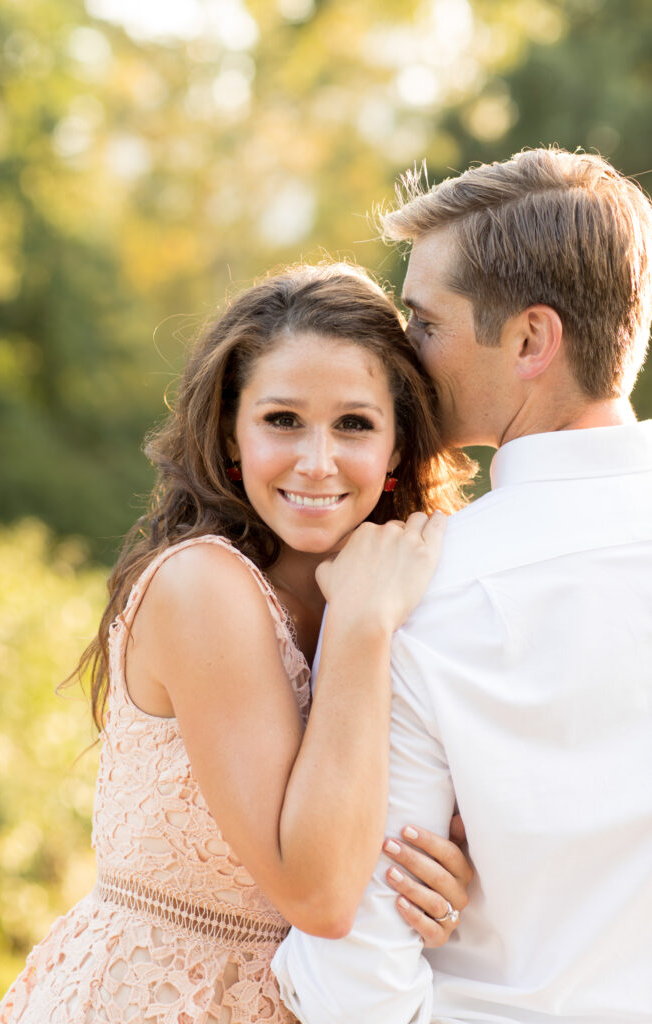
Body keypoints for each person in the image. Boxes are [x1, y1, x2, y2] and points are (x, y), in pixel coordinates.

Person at [0, 263, 475, 1024]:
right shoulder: (202, 587)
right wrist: (359, 625)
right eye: (282, 420)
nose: (317, 461)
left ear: (394, 447)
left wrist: (444, 888)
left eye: (353, 424)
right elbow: (314, 893)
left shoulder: (419, 595)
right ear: (230, 435)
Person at [272, 147, 652, 1023]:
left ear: (529, 340)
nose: (401, 354)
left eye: (425, 323)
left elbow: (352, 990)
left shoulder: (413, 595)